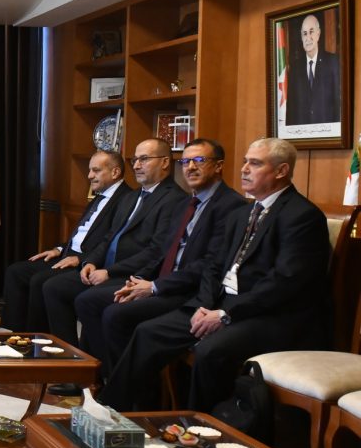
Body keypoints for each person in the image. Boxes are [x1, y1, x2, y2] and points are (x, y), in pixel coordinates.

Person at [100, 137, 329, 412]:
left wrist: (225, 314)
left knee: (210, 351)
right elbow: (214, 266)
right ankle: (115, 411)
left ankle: (200, 428)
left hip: (270, 315)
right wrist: (205, 304)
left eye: (255, 163)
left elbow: (284, 282)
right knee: (148, 332)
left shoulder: (303, 216)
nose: (244, 169)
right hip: (222, 304)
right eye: (245, 161)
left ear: (281, 171)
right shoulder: (244, 213)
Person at [73, 138, 246, 376]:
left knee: (115, 314)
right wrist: (138, 279)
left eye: (199, 160)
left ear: (218, 165)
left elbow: (210, 263)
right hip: (160, 280)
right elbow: (164, 250)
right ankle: (100, 377)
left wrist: (154, 286)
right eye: (185, 161)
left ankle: (120, 386)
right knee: (88, 301)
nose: (190, 167)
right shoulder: (188, 202)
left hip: (187, 291)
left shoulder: (232, 205)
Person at [40, 138, 186, 350]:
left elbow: (156, 251)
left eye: (144, 159)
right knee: (54, 287)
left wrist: (109, 272)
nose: (136, 165)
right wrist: (90, 261)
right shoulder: (131, 196)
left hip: (131, 274)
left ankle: (96, 362)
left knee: (86, 300)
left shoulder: (174, 199)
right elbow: (109, 237)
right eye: (135, 160)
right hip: (105, 268)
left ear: (164, 162)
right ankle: (70, 357)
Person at [0, 150, 130, 331]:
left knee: (40, 281)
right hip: (68, 254)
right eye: (90, 170)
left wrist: (81, 258)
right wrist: (59, 249)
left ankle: (38, 340)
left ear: (115, 172)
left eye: (96, 170)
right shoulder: (100, 195)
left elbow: (113, 241)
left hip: (88, 262)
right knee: (16, 272)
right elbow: (83, 234)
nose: (89, 175)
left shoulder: (127, 199)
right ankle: (11, 334)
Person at [286, 12, 341, 126]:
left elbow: (338, 103)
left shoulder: (332, 62)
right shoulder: (295, 68)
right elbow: (291, 109)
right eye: (304, 34)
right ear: (301, 37)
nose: (308, 38)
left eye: (311, 32)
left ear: (318, 34)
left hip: (328, 132)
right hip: (302, 133)